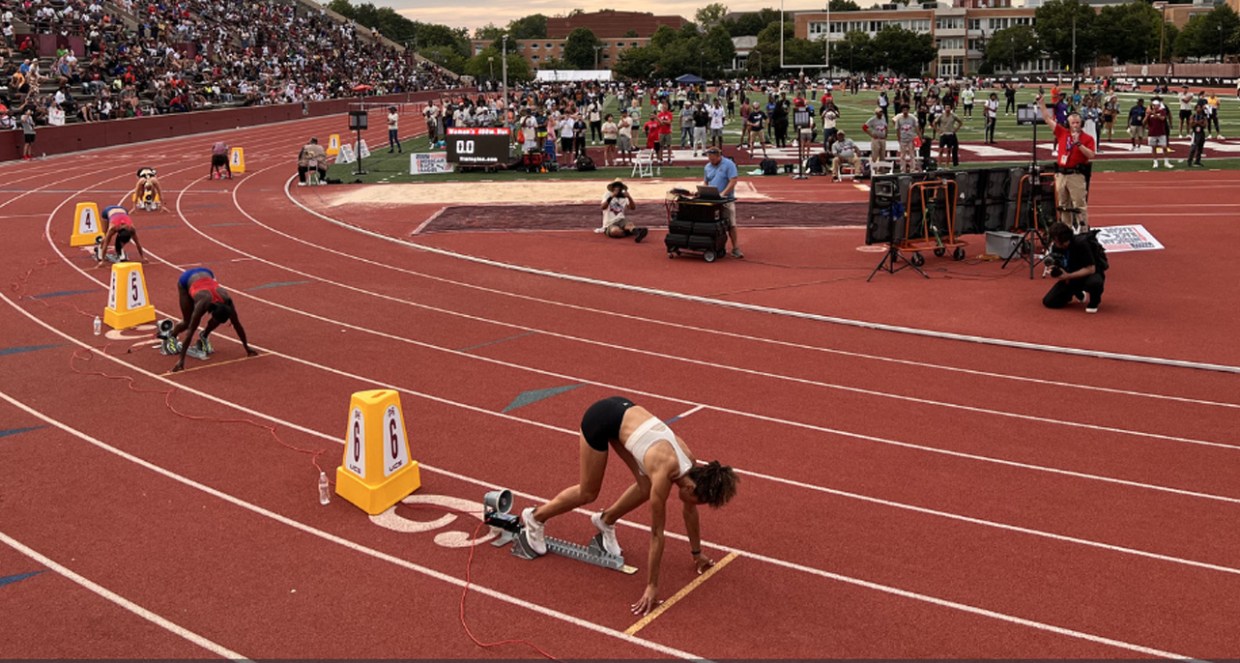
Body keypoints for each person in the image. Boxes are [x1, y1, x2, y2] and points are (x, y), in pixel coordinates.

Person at [520, 396, 739, 615]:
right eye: (699, 502)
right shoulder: (663, 475)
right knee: (588, 492)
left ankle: (605, 521)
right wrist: (652, 586)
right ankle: (535, 517)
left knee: (644, 487)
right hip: (600, 418)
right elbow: (656, 534)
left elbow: (689, 511)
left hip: (624, 413)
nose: (694, 506)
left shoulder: (690, 463)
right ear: (691, 490)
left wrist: (696, 552)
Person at [166, 267, 257, 372]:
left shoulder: (227, 300)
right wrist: (181, 360)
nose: (215, 323)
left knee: (220, 320)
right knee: (187, 322)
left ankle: (204, 335)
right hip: (186, 280)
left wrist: (247, 347)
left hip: (207, 274)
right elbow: (190, 331)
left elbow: (237, 324)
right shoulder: (202, 303)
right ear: (212, 313)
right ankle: (171, 336)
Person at [1036, 92, 1094, 233]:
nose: (1075, 125)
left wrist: (1078, 144)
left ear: (1081, 124)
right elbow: (1047, 119)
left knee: (1079, 204)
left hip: (1076, 174)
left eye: (1077, 123)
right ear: (1068, 124)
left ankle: (1084, 231)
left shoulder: (1087, 138)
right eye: (1072, 123)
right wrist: (1042, 105)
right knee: (1063, 205)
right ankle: (1066, 230)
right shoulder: (1063, 133)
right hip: (1061, 174)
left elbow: (1091, 155)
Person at [1042, 221, 1105, 314]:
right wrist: (1054, 269)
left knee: (1094, 282)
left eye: (1055, 239)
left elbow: (1091, 269)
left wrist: (1068, 276)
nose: (1054, 242)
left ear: (1062, 239)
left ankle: (1094, 301)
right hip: (1071, 276)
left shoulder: (1081, 244)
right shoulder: (1057, 247)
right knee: (1049, 302)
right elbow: (1059, 263)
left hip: (1088, 274)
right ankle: (1077, 292)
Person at [702, 147, 742, 258]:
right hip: (712, 200)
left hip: (726, 200)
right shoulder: (707, 167)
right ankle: (715, 246)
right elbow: (706, 181)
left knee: (731, 224)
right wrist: (704, 192)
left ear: (719, 156)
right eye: (709, 158)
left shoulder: (729, 164)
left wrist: (724, 193)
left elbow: (733, 180)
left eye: (713, 159)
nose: (711, 161)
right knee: (713, 224)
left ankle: (735, 248)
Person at [1144, 97, 1173, 169]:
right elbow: (1143, 122)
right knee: (1153, 148)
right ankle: (1155, 162)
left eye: (1156, 105)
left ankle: (1166, 162)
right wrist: (1148, 115)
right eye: (1154, 105)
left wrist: (1155, 114)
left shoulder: (1162, 111)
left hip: (1161, 132)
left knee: (1164, 147)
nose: (1155, 107)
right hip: (1152, 132)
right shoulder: (1149, 112)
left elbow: (1162, 118)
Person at [1186, 100, 1208, 167]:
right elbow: (1191, 124)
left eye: (1200, 108)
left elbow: (1205, 125)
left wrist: (1197, 122)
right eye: (1197, 108)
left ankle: (1197, 161)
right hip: (1195, 133)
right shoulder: (1193, 116)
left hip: (1201, 133)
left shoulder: (1203, 117)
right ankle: (1189, 160)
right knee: (1193, 147)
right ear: (1195, 109)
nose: (1199, 109)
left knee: (1200, 148)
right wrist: (1199, 122)